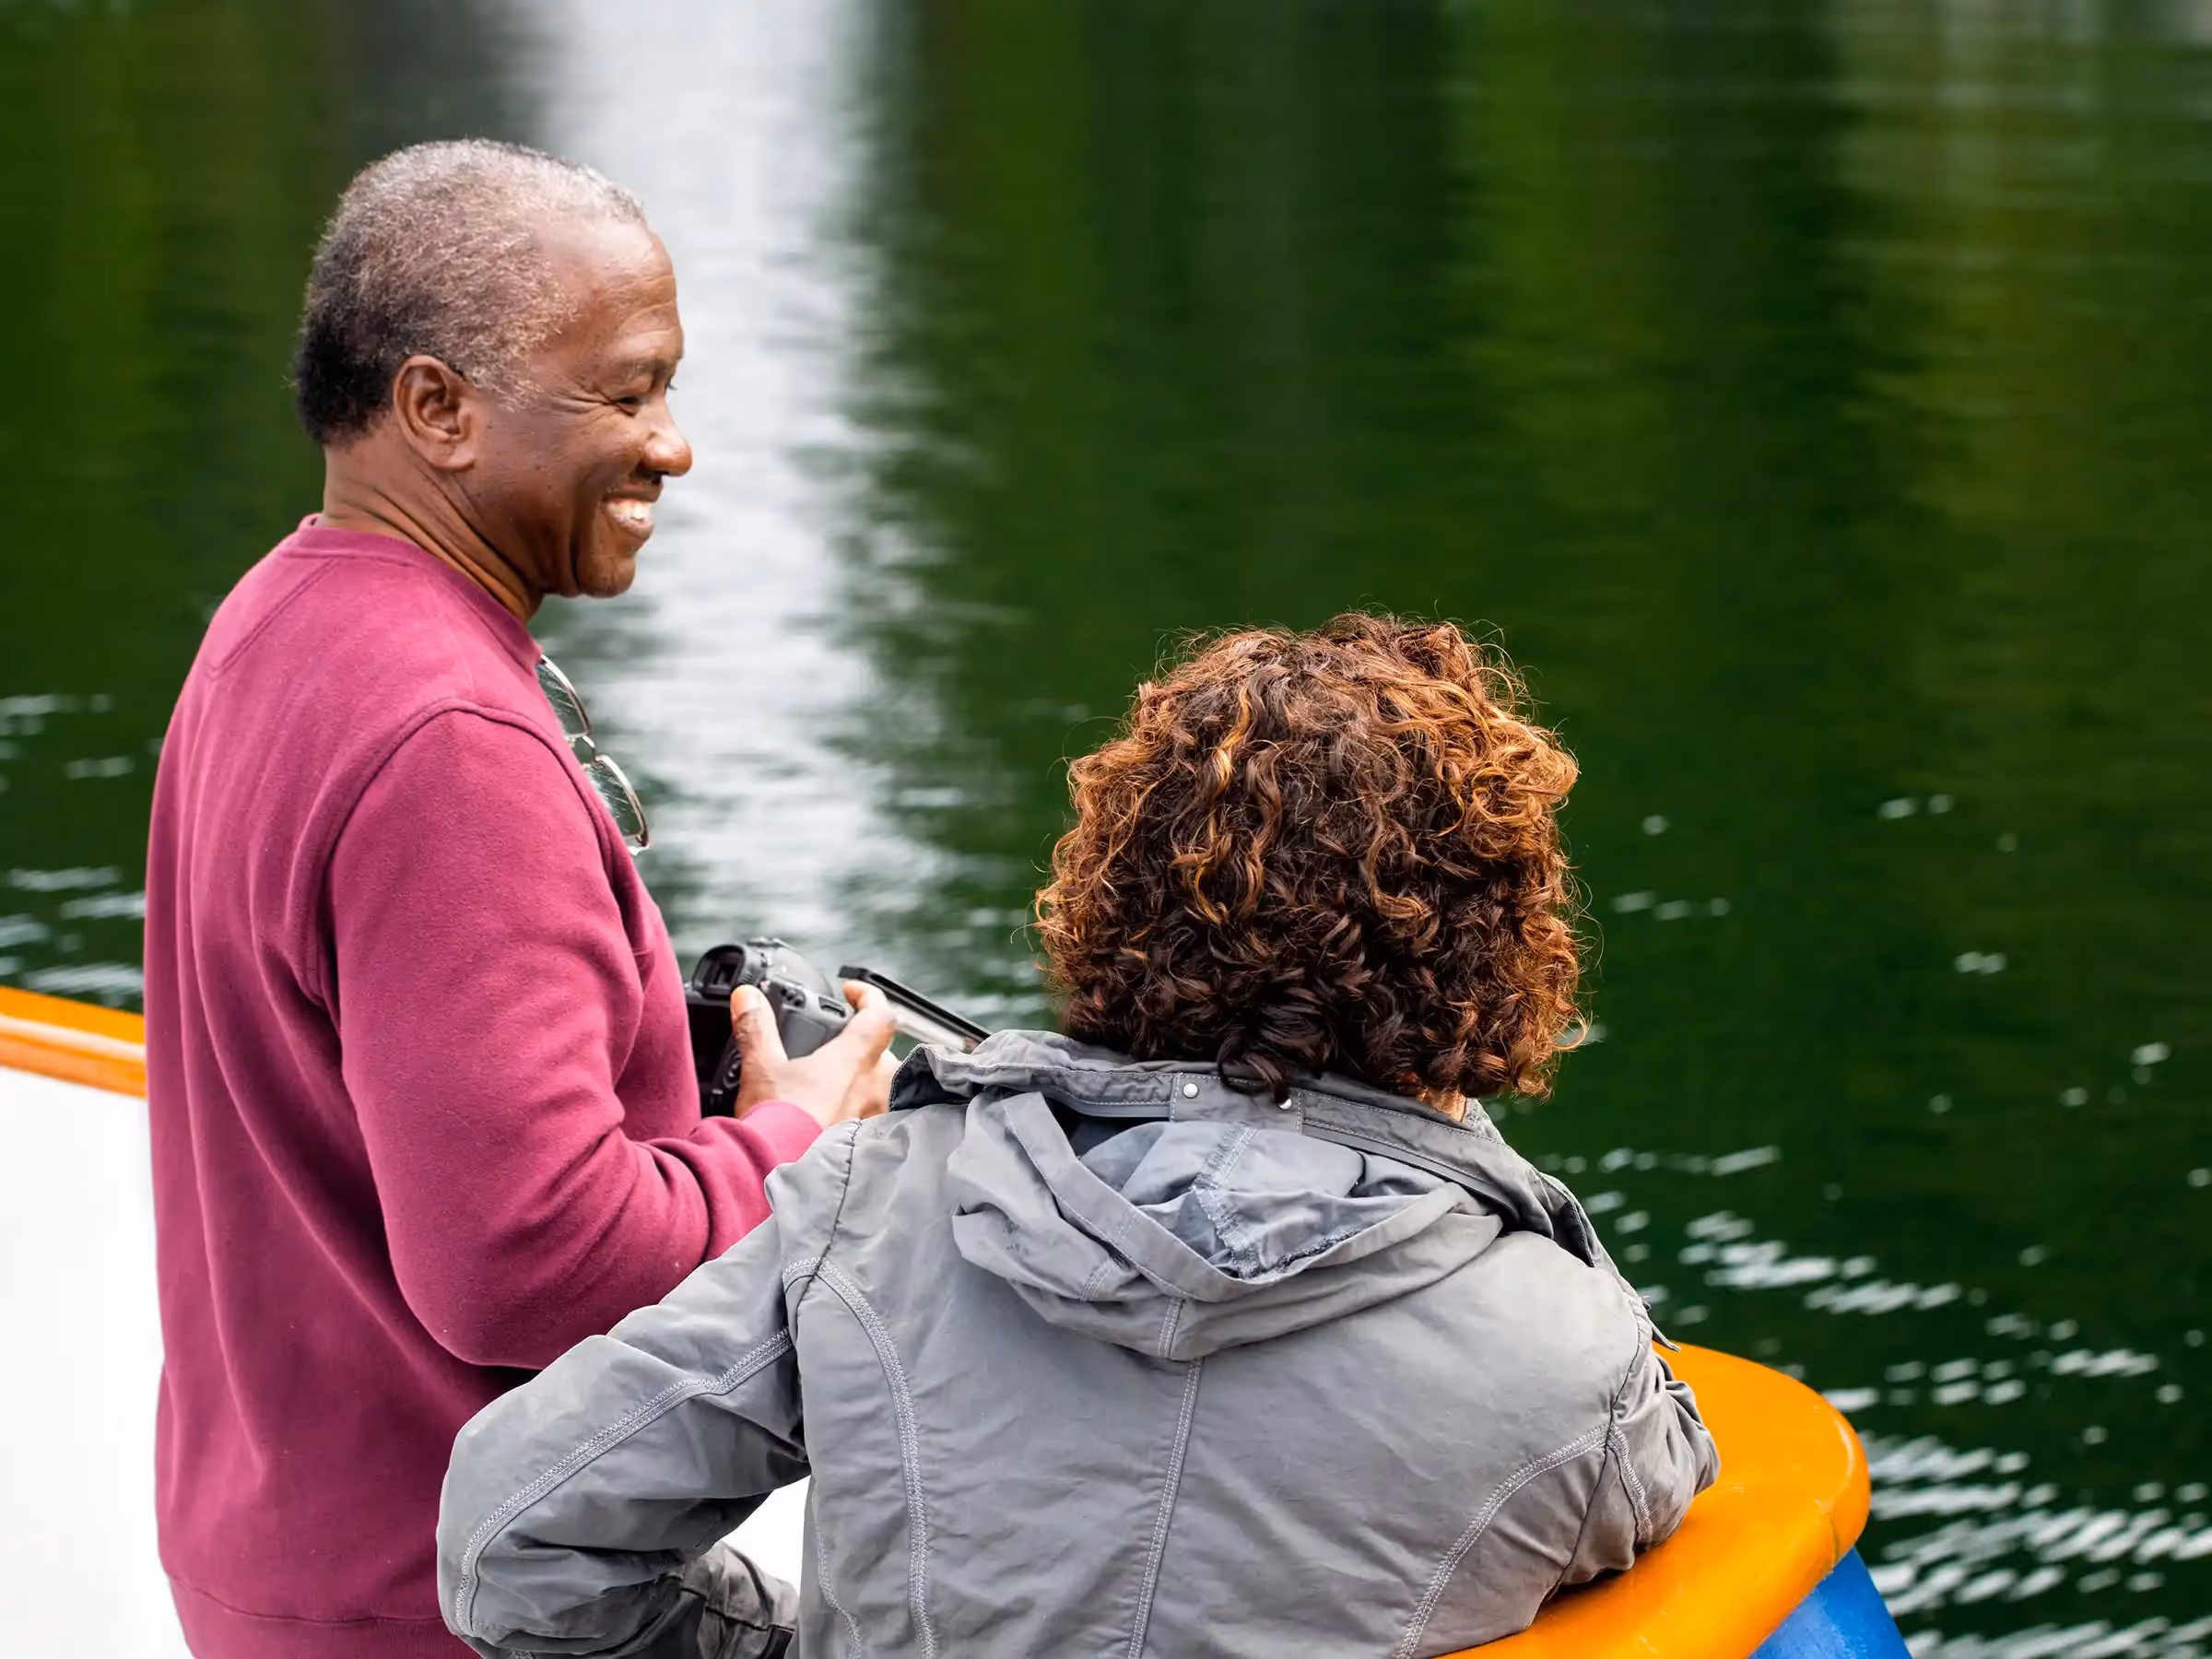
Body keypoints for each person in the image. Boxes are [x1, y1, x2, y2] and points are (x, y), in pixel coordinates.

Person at [434, 615, 1720, 1659]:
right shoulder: (1566, 1355)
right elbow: (1665, 1473)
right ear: (1498, 958)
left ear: (1115, 897)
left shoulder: (872, 1210)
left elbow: (511, 1544)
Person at [143, 140, 895, 1659]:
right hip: (456, 1606)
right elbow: (525, 1264)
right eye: (623, 393)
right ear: (439, 408)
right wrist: (796, 1141)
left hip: (280, 1555)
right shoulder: (449, 746)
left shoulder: (278, 617)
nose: (672, 445)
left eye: (670, 388)